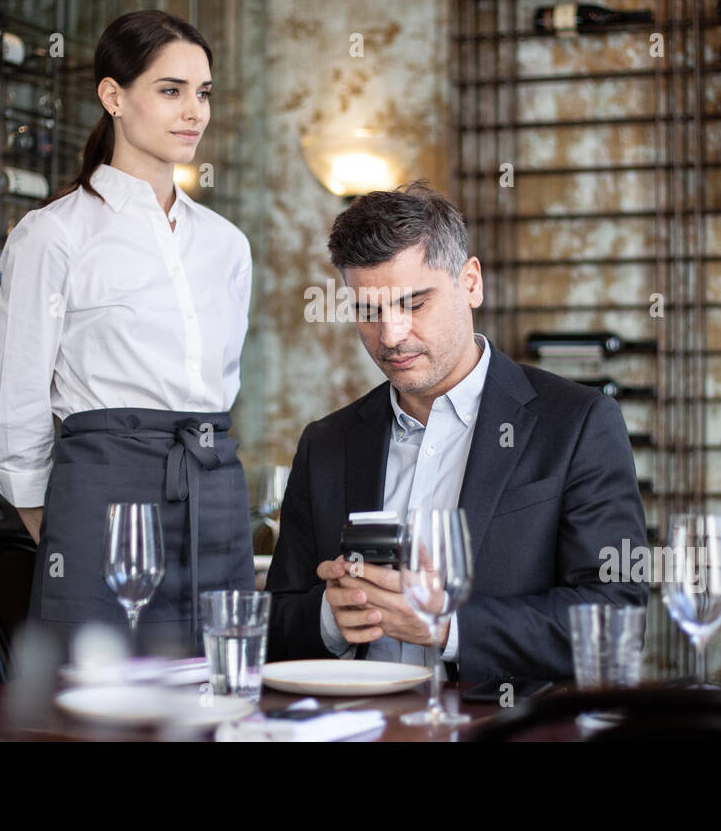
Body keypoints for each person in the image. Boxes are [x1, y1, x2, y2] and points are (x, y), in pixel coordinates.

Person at [265, 182, 648, 681]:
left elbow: (617, 619)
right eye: (368, 311)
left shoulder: (576, 424)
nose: (391, 335)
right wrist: (331, 618)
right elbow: (273, 627)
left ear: (470, 283)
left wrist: (447, 627)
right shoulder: (325, 444)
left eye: (414, 304)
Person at [0, 10, 254, 654]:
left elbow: (219, 388)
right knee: (95, 703)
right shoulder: (53, 235)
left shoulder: (227, 244)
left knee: (218, 688)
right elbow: (15, 407)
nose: (194, 111)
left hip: (214, 489)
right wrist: (65, 531)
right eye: (170, 90)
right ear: (113, 96)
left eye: (203, 92)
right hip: (99, 498)